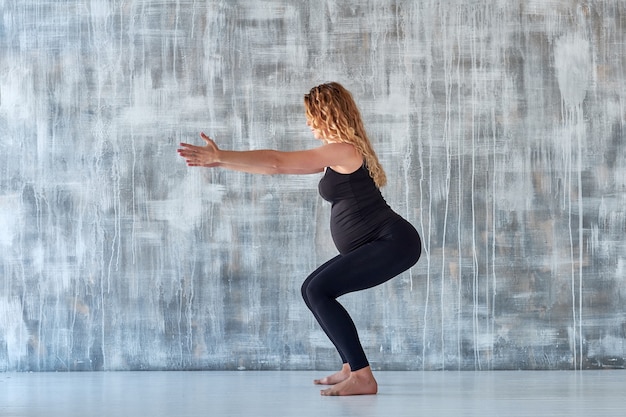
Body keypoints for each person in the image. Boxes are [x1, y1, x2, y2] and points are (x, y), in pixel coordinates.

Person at [177, 82, 421, 396]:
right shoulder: (338, 153)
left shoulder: (343, 150)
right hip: (384, 241)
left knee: (320, 289)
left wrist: (221, 154)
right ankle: (351, 366)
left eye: (312, 115)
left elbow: (277, 162)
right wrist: (219, 161)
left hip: (392, 242)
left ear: (328, 114)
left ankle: (363, 376)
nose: (308, 122)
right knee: (311, 288)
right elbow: (274, 168)